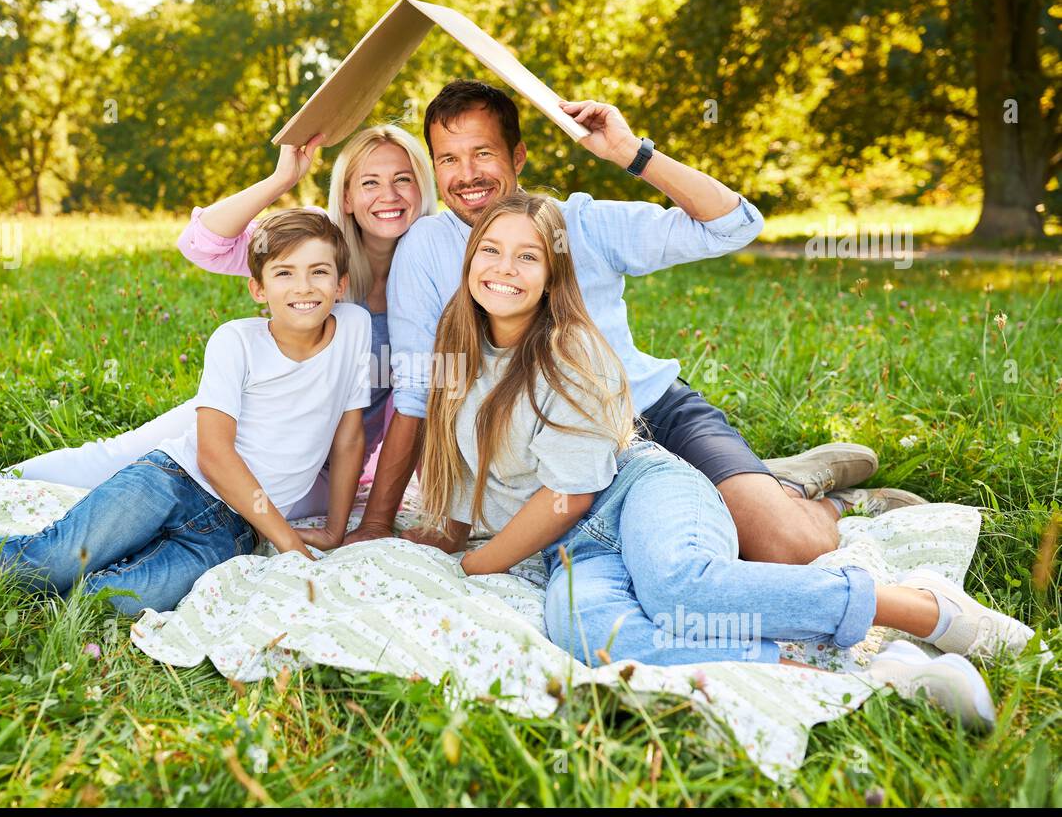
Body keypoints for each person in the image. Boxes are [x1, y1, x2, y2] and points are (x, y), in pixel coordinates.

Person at [414, 192, 1036, 731]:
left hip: (635, 490)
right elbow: (466, 465)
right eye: (490, 250)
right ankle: (865, 675)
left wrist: (479, 562)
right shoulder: (456, 344)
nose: (504, 268)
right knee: (594, 635)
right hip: (573, 549)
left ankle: (918, 608)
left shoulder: (569, 351)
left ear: (554, 277)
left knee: (677, 585)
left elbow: (569, 496)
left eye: (528, 256)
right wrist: (445, 533)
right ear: (469, 261)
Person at [345, 79, 921, 565]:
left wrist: (632, 154)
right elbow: (423, 389)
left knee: (781, 544)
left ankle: (818, 498)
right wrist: (375, 525)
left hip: (645, 413)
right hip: (541, 450)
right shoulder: (426, 246)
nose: (467, 174)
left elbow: (734, 226)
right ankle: (764, 484)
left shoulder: (584, 223)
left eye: (484, 154)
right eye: (449, 158)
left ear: (518, 157)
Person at [0, 210, 371, 619]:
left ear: (342, 283)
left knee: (104, 601)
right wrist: (289, 541)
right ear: (257, 289)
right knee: (54, 560)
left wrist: (338, 527)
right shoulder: (236, 341)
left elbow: (347, 440)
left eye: (320, 271)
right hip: (173, 481)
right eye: (285, 273)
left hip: (232, 531)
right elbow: (215, 452)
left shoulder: (356, 331)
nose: (305, 287)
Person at [0, 125, 437, 518]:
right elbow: (204, 244)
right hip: (242, 415)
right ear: (347, 196)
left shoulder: (437, 270)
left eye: (403, 180)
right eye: (370, 182)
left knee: (214, 502)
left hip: (316, 466)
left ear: (422, 188)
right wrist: (281, 179)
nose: (389, 196)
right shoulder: (318, 244)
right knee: (117, 458)